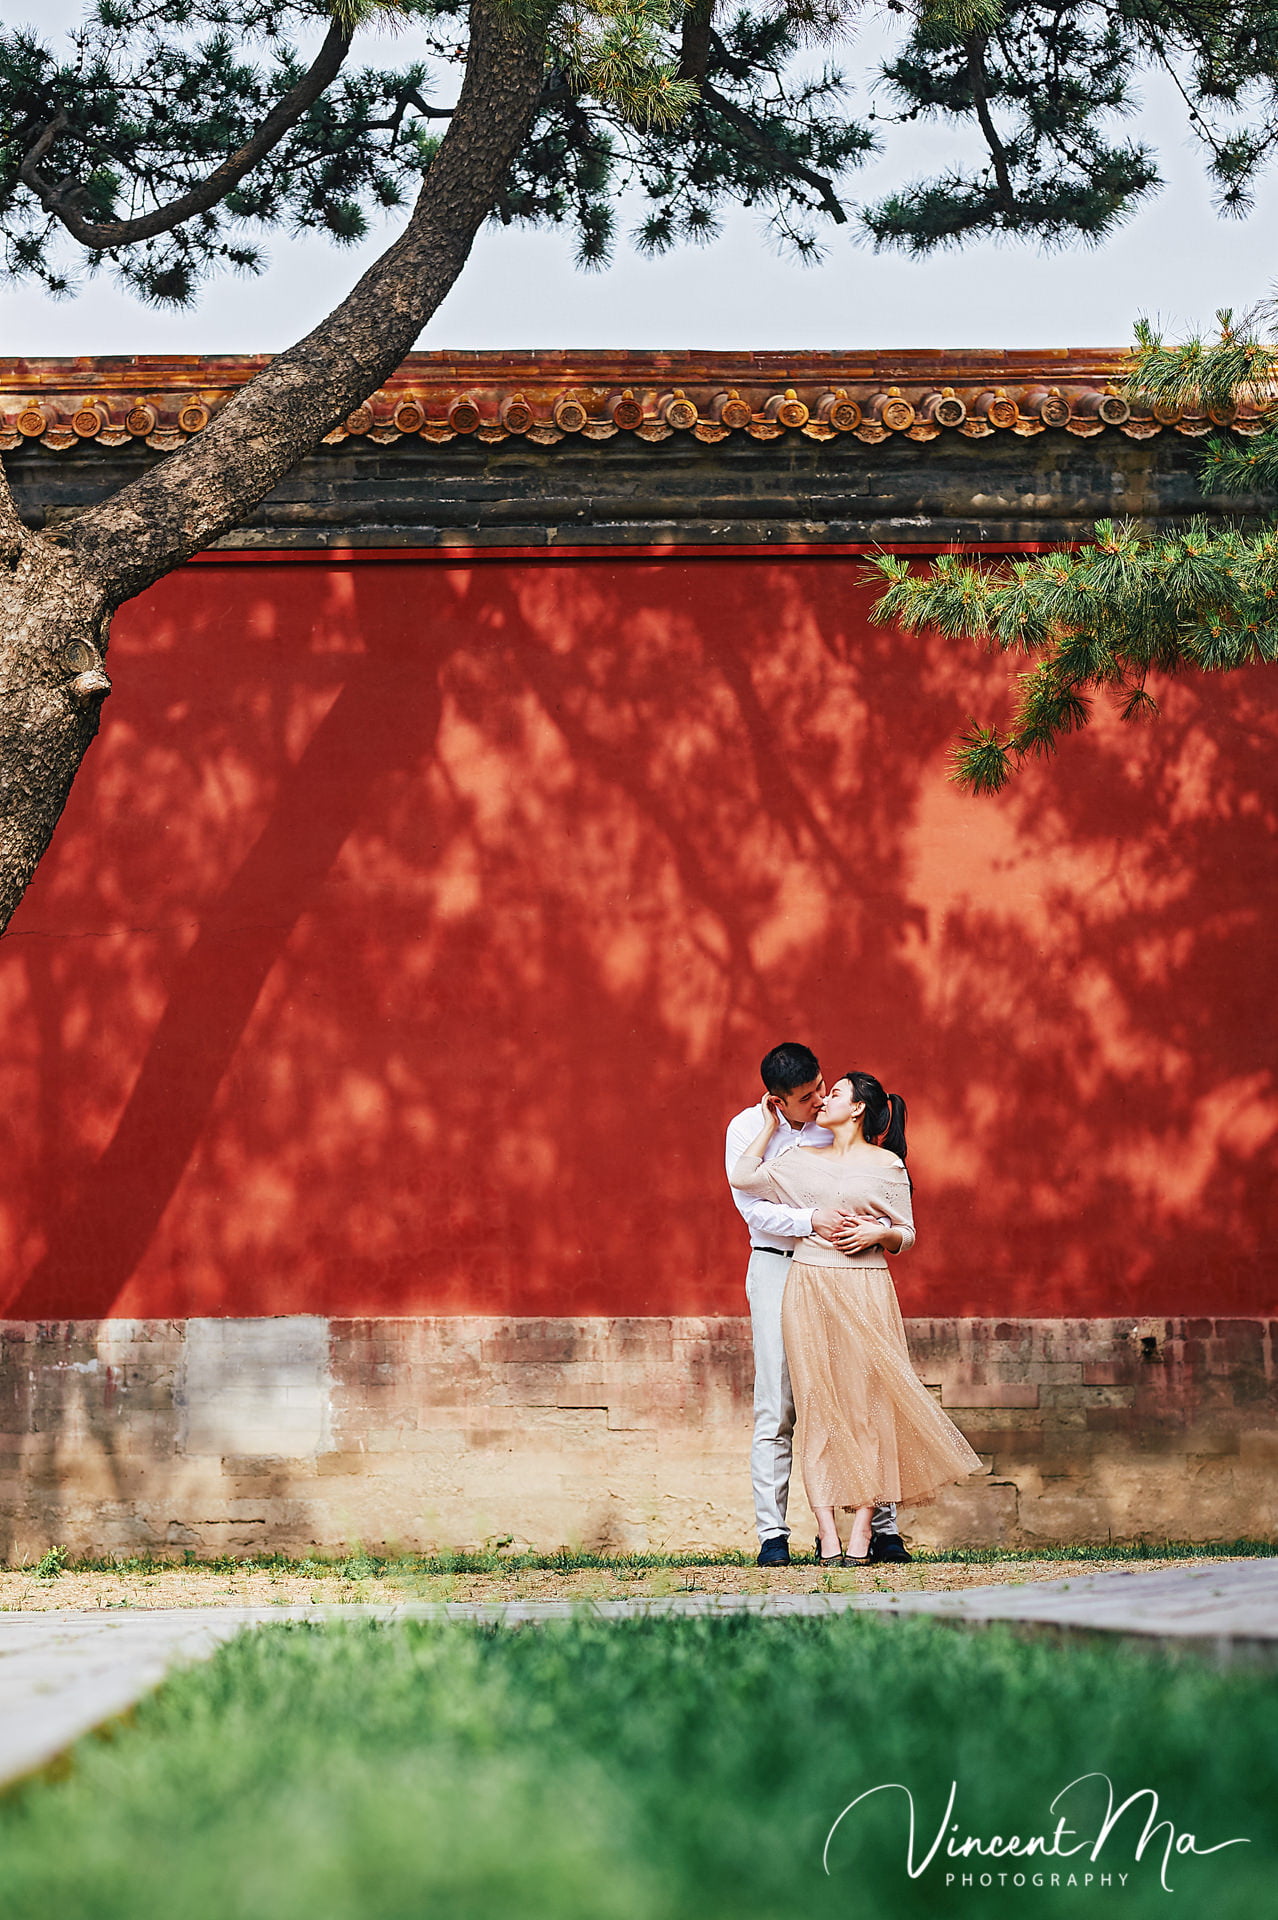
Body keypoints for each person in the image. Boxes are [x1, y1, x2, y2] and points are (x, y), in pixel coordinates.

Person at [730, 1069, 983, 1565]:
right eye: (816, 1093)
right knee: (815, 1408)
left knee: (869, 1405)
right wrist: (767, 1124)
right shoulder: (798, 1158)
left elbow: (906, 1232)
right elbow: (741, 1179)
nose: (823, 1099)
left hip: (866, 1286)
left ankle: (868, 1532)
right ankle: (817, 1536)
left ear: (859, 1108)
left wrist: (877, 1234)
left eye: (834, 1091)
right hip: (806, 1285)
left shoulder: (888, 1166)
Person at [725, 1044, 912, 1569]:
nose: (818, 1099)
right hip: (776, 1265)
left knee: (862, 1390)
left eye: (822, 1087)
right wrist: (812, 1221)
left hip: (843, 1270)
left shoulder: (830, 1121)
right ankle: (773, 1534)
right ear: (778, 1100)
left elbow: (869, 1179)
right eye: (806, 1097)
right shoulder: (745, 1129)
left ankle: (881, 1527)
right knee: (779, 1400)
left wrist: (878, 1231)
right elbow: (752, 1208)